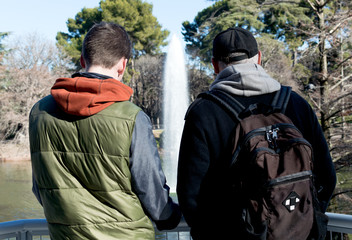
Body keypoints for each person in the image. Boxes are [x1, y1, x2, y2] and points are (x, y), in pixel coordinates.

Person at [176, 27, 336, 239]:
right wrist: (298, 217)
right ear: (258, 58)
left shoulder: (203, 112)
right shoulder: (296, 104)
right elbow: (327, 177)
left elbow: (190, 196)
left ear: (215, 65)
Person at [29, 22, 181, 239]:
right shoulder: (132, 117)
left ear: (83, 60)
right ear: (123, 65)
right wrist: (171, 216)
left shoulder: (39, 112)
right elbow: (152, 195)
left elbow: (40, 188)